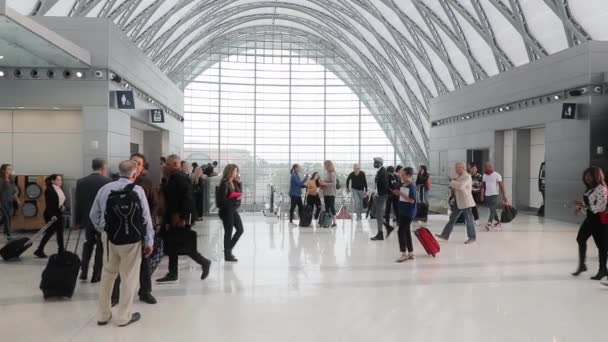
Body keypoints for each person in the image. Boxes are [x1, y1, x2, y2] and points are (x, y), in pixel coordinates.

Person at [91, 160, 154, 327]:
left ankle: (103, 315)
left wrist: (103, 229)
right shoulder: (138, 190)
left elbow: (93, 215)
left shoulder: (105, 189)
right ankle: (123, 317)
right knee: (129, 277)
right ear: (134, 174)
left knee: (108, 275)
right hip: (132, 241)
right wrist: (149, 240)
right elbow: (146, 218)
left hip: (110, 238)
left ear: (119, 172)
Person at [112, 153, 158, 305]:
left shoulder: (146, 183)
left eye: (139, 163)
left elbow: (153, 204)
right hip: (119, 229)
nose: (136, 165)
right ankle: (115, 295)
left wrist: (150, 223)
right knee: (117, 263)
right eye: (133, 162)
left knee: (144, 262)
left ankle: (145, 292)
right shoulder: (116, 183)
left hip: (139, 229)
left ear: (143, 167)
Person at [157, 154, 211, 283]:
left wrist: (183, 217)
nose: (165, 167)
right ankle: (173, 273)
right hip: (173, 217)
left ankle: (204, 262)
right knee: (172, 245)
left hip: (179, 219)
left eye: (168, 165)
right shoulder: (172, 177)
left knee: (184, 246)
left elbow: (188, 198)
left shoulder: (179, 178)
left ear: (175, 164)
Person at [77, 159, 111, 282]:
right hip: (102, 220)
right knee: (101, 247)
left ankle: (83, 271)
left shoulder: (81, 182)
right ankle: (96, 274)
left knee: (88, 244)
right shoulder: (108, 182)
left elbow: (78, 203)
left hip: (87, 220)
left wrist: (77, 220)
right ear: (103, 168)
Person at [572, 167, 608, 280]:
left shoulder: (601, 189)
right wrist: (581, 207)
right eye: (586, 176)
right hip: (590, 219)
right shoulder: (590, 189)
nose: (587, 178)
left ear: (596, 176)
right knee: (580, 239)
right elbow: (591, 204)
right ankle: (582, 265)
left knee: (601, 246)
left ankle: (603, 270)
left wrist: (584, 206)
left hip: (599, 221)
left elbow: (601, 207)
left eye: (590, 176)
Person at [436, 162, 477, 244]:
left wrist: (452, 182)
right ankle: (445, 235)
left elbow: (461, 186)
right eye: (455, 168)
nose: (455, 170)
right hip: (458, 201)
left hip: (465, 202)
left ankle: (472, 237)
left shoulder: (467, 176)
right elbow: (456, 186)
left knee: (469, 220)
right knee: (452, 218)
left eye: (457, 168)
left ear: (462, 168)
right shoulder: (459, 176)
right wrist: (453, 183)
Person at [34, 175, 66, 258]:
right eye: (58, 180)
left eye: (61, 180)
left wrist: (63, 207)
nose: (60, 181)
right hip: (51, 214)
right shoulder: (50, 190)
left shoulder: (59, 189)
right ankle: (40, 250)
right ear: (53, 181)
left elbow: (61, 201)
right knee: (51, 232)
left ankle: (60, 250)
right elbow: (50, 205)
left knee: (58, 232)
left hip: (59, 213)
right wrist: (53, 216)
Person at [217, 164, 245, 262]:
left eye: (237, 171)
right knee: (228, 233)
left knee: (240, 230)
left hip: (233, 210)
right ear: (229, 171)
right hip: (226, 211)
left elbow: (239, 194)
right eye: (234, 171)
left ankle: (227, 250)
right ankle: (227, 254)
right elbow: (221, 201)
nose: (236, 173)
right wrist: (232, 197)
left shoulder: (235, 182)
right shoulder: (224, 183)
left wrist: (239, 184)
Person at [394, 167, 417, 262]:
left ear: (408, 175)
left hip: (408, 213)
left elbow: (412, 200)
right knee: (406, 232)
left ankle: (404, 253)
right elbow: (404, 197)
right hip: (403, 211)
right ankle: (410, 252)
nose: (401, 176)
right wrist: (398, 194)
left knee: (401, 231)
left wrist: (401, 193)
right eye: (401, 174)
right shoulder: (404, 184)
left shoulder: (411, 186)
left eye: (403, 175)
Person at [481, 161, 510, 231]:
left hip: (494, 194)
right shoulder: (484, 176)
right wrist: (482, 195)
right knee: (492, 209)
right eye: (488, 166)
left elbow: (501, 186)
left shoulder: (497, 175)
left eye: (491, 166)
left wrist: (504, 196)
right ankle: (498, 222)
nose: (490, 167)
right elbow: (483, 186)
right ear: (486, 167)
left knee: (492, 209)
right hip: (487, 195)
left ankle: (489, 223)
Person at [371, 157, 392, 240]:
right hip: (379, 195)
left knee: (379, 215)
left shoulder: (382, 172)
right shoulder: (380, 171)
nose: (374, 163)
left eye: (375, 162)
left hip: (381, 196)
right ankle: (387, 227)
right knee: (377, 214)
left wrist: (379, 194)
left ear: (379, 163)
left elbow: (384, 184)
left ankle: (380, 234)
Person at [0, 164, 18, 240]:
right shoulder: (1, 180)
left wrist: (17, 199)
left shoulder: (11, 180)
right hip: (3, 202)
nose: (10, 170)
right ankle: (9, 235)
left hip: (10, 202)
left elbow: (13, 191)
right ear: (3, 170)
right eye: (8, 169)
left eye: (11, 169)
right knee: (7, 218)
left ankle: (7, 232)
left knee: (6, 218)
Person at [319, 160, 337, 228]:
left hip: (331, 193)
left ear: (328, 165)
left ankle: (334, 222)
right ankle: (327, 222)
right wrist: (322, 182)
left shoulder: (332, 173)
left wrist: (325, 183)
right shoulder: (327, 173)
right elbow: (326, 181)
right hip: (326, 192)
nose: (324, 167)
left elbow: (334, 183)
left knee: (331, 207)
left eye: (325, 165)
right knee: (326, 207)